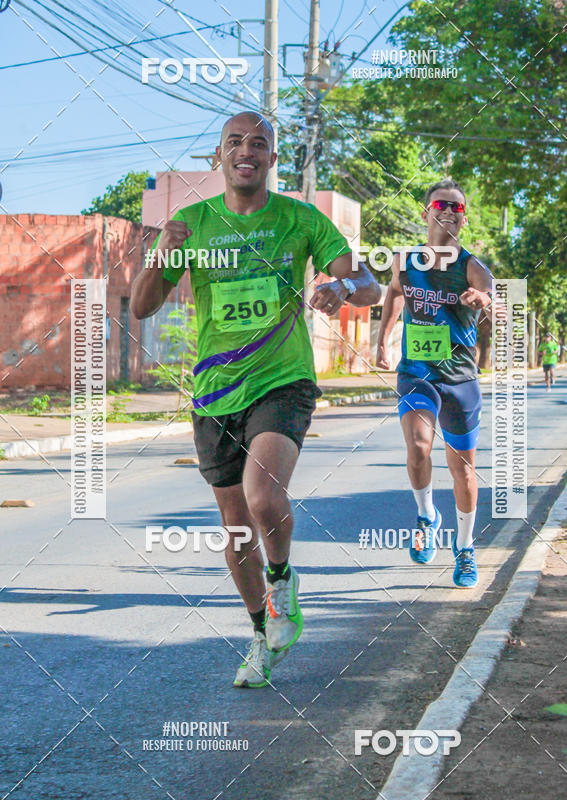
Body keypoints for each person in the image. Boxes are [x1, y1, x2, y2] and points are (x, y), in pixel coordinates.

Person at [131, 111, 381, 688]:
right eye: (235, 142)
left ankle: (284, 580)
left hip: (282, 379)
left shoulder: (300, 219)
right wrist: (162, 253)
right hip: (216, 390)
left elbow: (366, 283)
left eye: (260, 143)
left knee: (263, 494)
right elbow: (142, 306)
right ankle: (260, 634)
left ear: (272, 159)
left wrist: (341, 287)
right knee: (237, 528)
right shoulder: (191, 224)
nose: (247, 150)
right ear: (219, 158)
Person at [376, 178, 493, 589]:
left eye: (457, 208)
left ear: (464, 218)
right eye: (441, 204)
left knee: (463, 470)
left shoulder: (471, 266)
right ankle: (426, 515)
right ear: (426, 212)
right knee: (419, 446)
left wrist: (483, 300)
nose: (448, 211)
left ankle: (464, 549)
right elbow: (393, 294)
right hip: (416, 373)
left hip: (460, 378)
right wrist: (383, 342)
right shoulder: (405, 261)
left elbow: (491, 293)